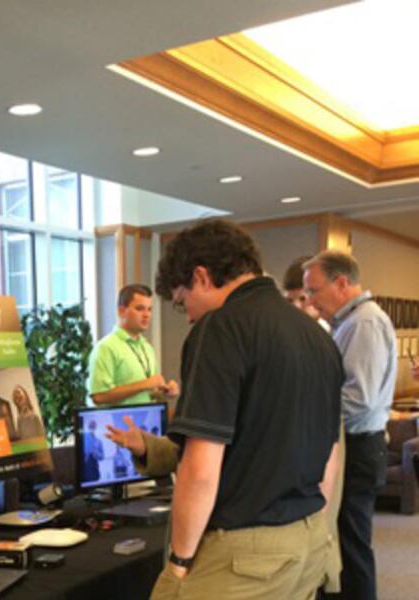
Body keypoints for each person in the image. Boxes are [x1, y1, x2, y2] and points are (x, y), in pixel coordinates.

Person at [107, 219, 343, 600]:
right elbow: (330, 454)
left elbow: (201, 467)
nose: (188, 317)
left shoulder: (219, 329)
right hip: (310, 539)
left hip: (244, 556)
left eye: (182, 302)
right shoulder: (318, 337)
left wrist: (179, 564)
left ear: (201, 276)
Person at [304, 250, 396, 600]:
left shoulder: (363, 323)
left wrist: (306, 417)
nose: (310, 300)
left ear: (341, 283)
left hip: (358, 448)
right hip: (353, 445)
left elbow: (359, 398)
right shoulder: (349, 323)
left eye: (314, 290)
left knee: (352, 547)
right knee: (343, 545)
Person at [88, 284, 178, 406]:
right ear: (121, 311)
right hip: (119, 419)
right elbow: (99, 396)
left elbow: (148, 393)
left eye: (149, 309)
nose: (146, 315)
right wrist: (145, 384)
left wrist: (165, 391)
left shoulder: (147, 347)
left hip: (146, 417)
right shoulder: (106, 347)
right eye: (140, 309)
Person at [81, 419, 104, 483]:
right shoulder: (83, 439)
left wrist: (96, 453)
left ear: (96, 428)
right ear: (88, 427)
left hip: (94, 469)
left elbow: (102, 456)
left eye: (93, 426)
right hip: (84, 468)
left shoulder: (98, 441)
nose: (92, 428)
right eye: (91, 426)